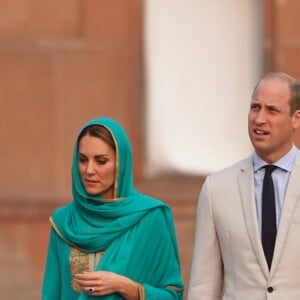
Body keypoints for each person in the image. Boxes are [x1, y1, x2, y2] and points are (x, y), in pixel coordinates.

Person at [42, 116, 184, 300]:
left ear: (121, 163)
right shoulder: (64, 222)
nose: (89, 170)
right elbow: (50, 295)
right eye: (83, 160)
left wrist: (125, 287)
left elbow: (173, 295)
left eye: (101, 161)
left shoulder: (150, 217)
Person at [188, 72, 300, 300]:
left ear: (296, 119)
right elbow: (203, 284)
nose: (259, 119)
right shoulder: (216, 188)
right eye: (255, 107)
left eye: (272, 110)